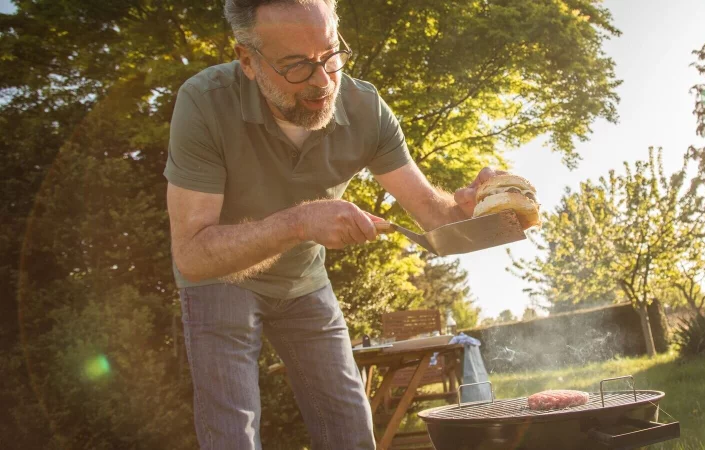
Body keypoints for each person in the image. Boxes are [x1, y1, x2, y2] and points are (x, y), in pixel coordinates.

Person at [164, 0, 505, 448]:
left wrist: (476, 211)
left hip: (304, 282)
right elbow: (191, 255)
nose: (323, 82)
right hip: (219, 278)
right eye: (296, 66)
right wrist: (301, 221)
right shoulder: (204, 102)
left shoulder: (366, 109)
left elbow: (432, 215)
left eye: (330, 55)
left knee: (349, 425)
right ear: (248, 60)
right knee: (233, 432)